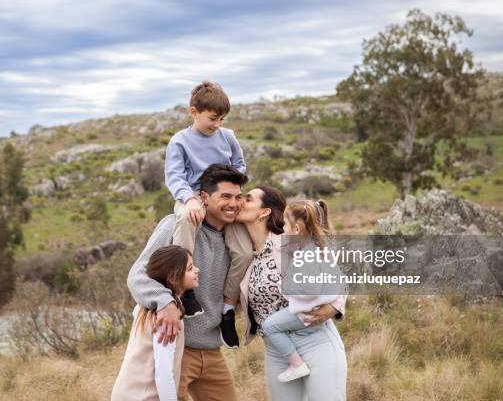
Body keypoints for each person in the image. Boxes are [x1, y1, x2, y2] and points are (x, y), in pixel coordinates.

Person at [128, 164, 248, 401]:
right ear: (203, 197)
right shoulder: (175, 224)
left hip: (212, 351)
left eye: (237, 197)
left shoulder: (237, 241)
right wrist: (165, 302)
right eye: (225, 196)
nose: (233, 204)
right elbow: (136, 276)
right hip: (175, 347)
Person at [238, 187, 348, 401]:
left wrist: (334, 307)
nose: (240, 201)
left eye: (248, 198)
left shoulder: (288, 243)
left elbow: (336, 278)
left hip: (315, 341)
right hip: (277, 351)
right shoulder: (243, 253)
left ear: (264, 212)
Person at [165, 81, 252, 348]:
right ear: (194, 112)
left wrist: (233, 189)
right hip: (193, 197)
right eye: (212, 118)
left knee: (245, 250)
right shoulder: (180, 141)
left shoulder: (228, 137)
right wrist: (191, 199)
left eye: (221, 119)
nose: (217, 124)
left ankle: (227, 309)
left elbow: (239, 165)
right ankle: (185, 288)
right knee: (183, 219)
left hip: (224, 196)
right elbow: (174, 177)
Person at [261, 199, 346, 383]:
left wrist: (288, 287)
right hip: (312, 310)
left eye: (285, 225)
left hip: (307, 312)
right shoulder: (318, 248)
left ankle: (296, 363)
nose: (282, 228)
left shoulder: (306, 255)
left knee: (270, 326)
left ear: (297, 230)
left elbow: (310, 289)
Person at [111, 245, 199, 401]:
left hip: (124, 393)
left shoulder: (143, 307)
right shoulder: (168, 319)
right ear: (173, 277)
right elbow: (164, 373)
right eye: (190, 268)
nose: (197, 270)